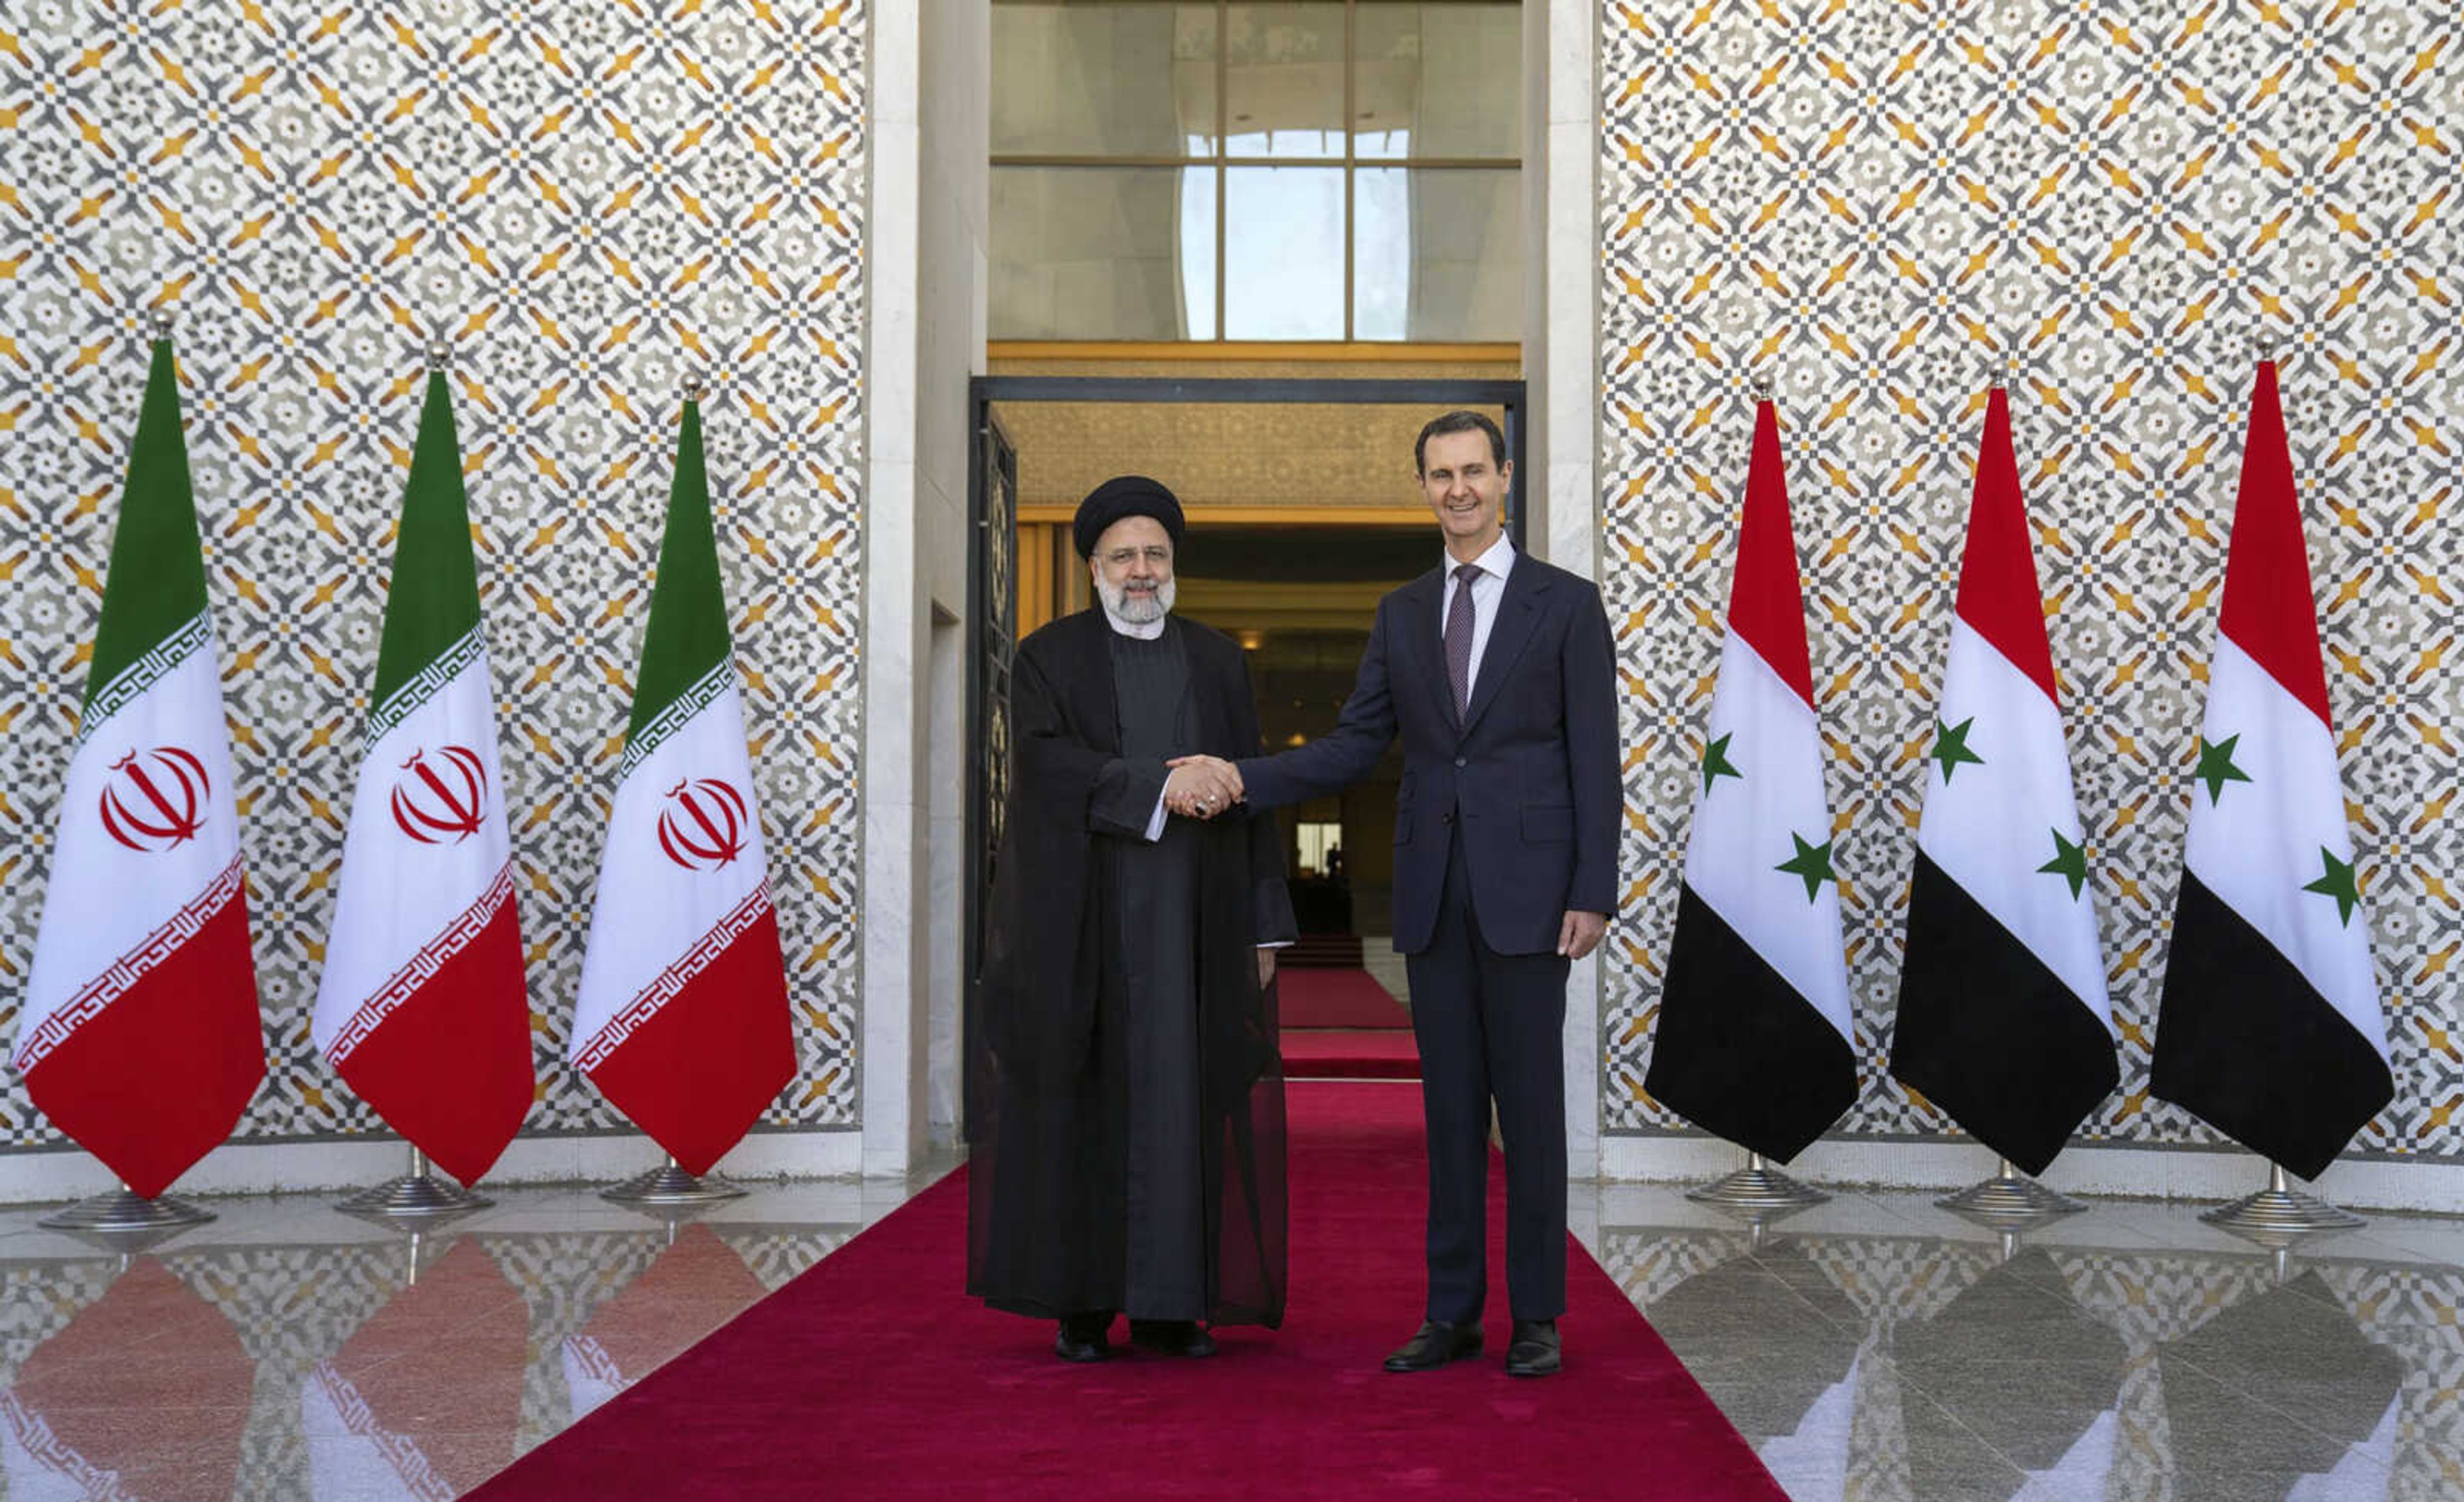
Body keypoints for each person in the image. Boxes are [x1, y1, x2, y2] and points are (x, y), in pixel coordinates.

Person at [1172, 412, 1616, 1379]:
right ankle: (1451, 1314)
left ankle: (1536, 1315)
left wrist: (1595, 889)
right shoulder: (1402, 612)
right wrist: (1242, 775)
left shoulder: (1567, 605)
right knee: (1450, 1114)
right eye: (1438, 474)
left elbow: (1596, 756)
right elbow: (1352, 745)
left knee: (1530, 1112)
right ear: (1421, 487)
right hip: (1431, 895)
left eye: (1472, 470)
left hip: (1535, 896)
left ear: (1504, 477)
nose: (1456, 488)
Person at [966, 475, 1296, 1363]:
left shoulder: (1220, 661)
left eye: (1155, 555)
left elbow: (1256, 792)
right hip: (1086, 931)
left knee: (1188, 1105)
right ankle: (1083, 1304)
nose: (1141, 571)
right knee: (1085, 1106)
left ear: (1172, 564)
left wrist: (1266, 926)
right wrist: (1162, 785)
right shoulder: (1048, 658)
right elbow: (1045, 770)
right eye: (1124, 556)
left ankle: (1170, 1306)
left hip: (1199, 927)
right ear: (1093, 568)